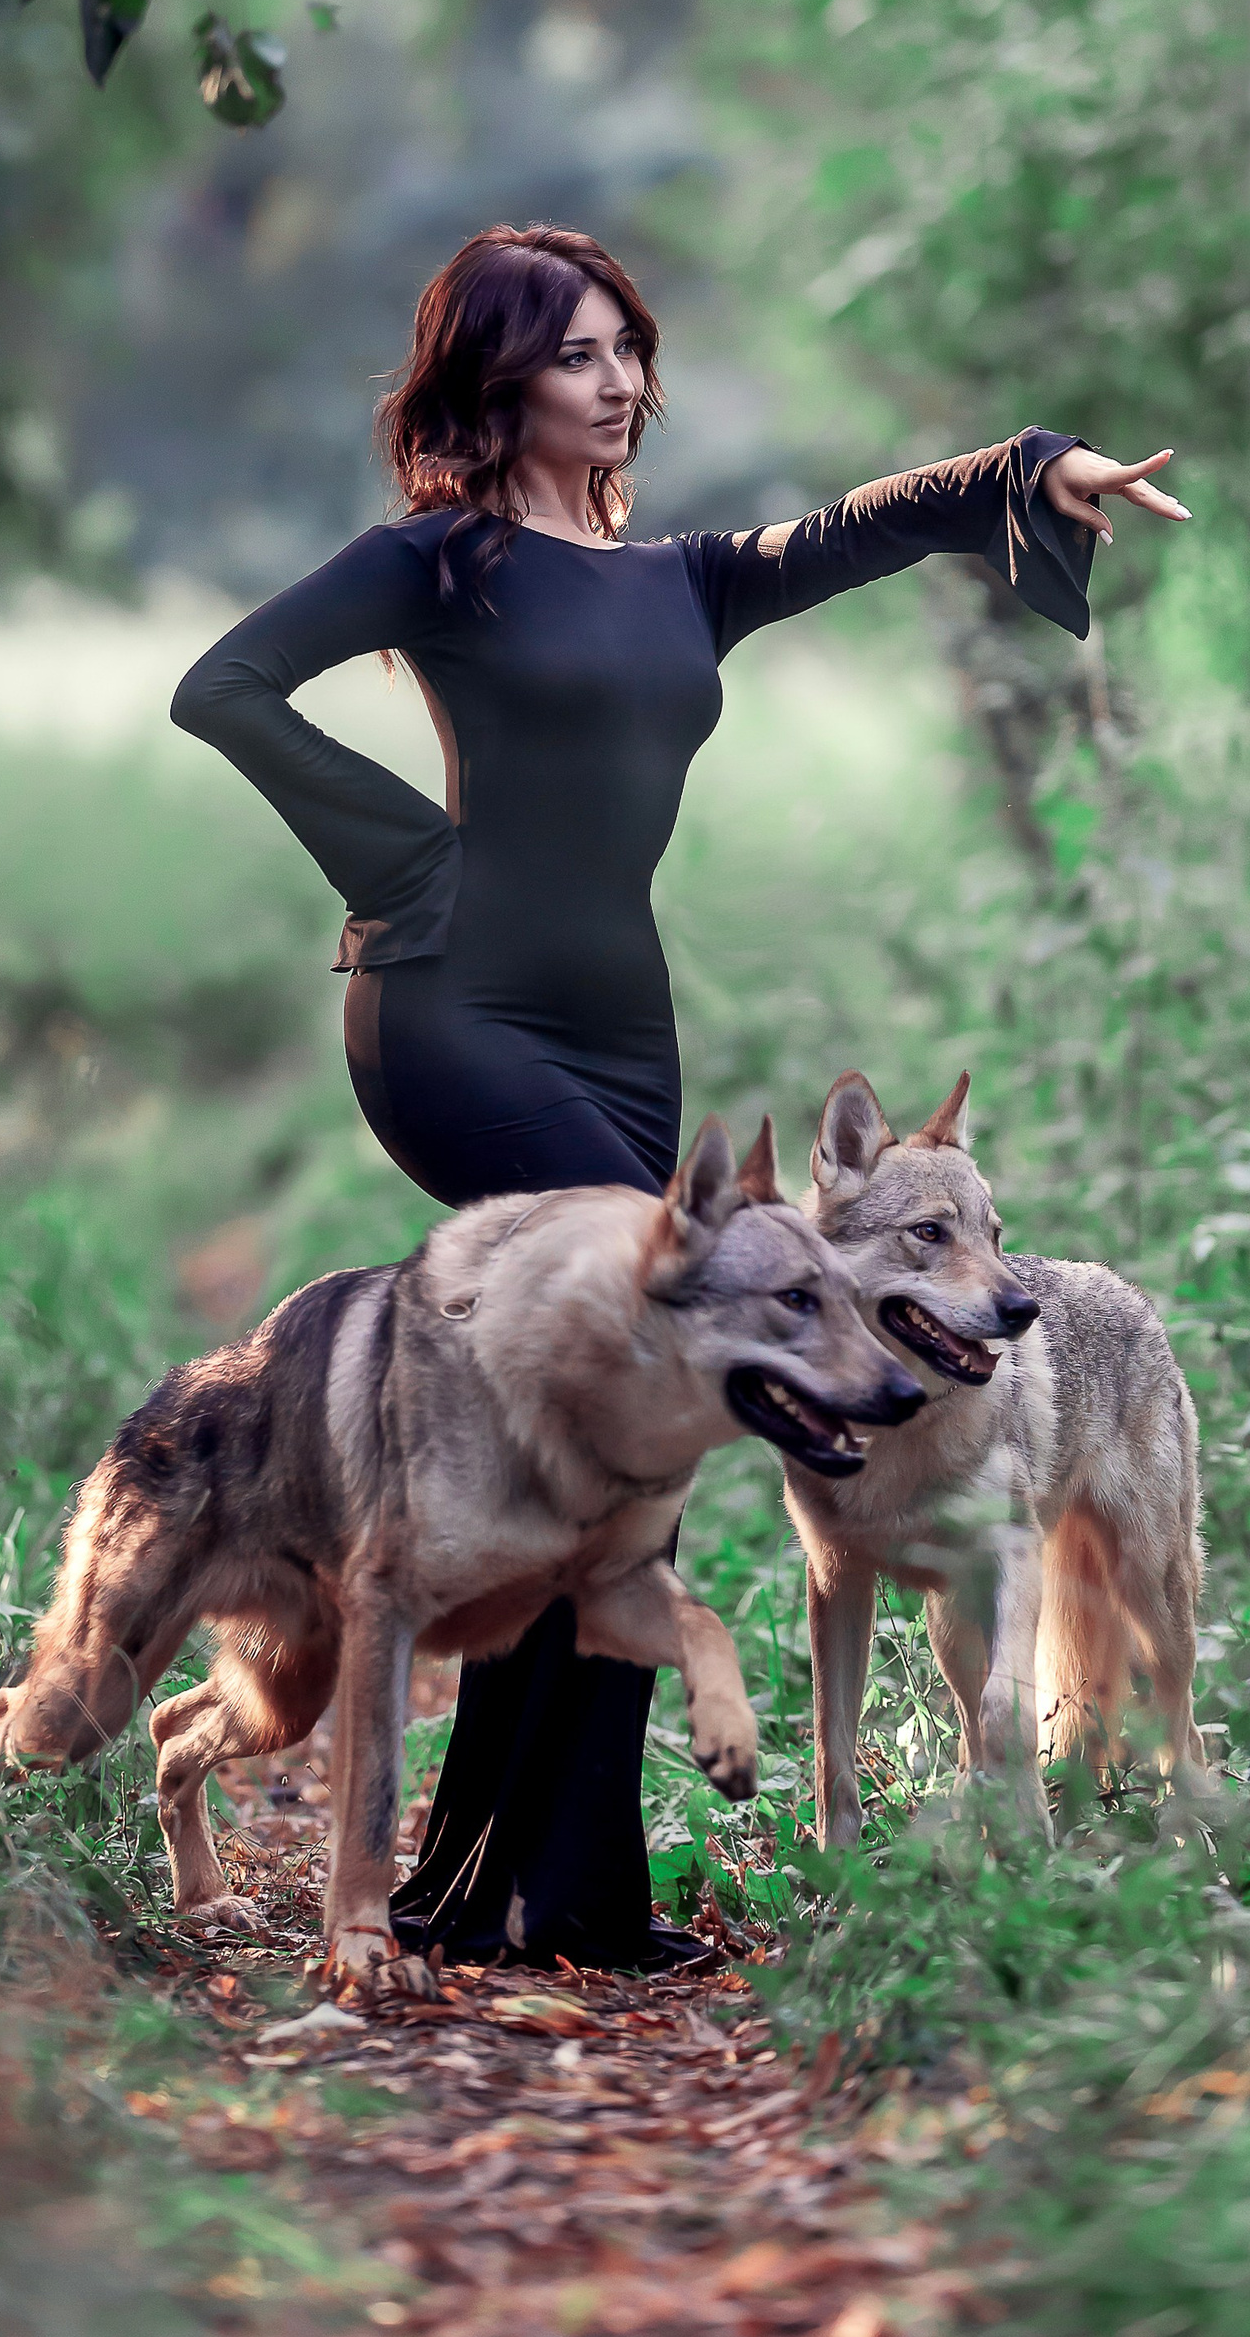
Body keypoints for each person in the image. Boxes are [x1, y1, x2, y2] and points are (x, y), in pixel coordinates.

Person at [170, 223, 1188, 1965]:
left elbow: (851, 531)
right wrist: (407, 861)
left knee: (603, 1451)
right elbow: (225, 686)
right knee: (653, 1395)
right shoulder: (445, 561)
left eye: (630, 344)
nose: (621, 377)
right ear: (497, 379)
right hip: (456, 1014)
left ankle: (486, 1884)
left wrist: (1026, 470)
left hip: (624, 1039)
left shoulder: (679, 578)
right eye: (578, 353)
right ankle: (573, 1895)